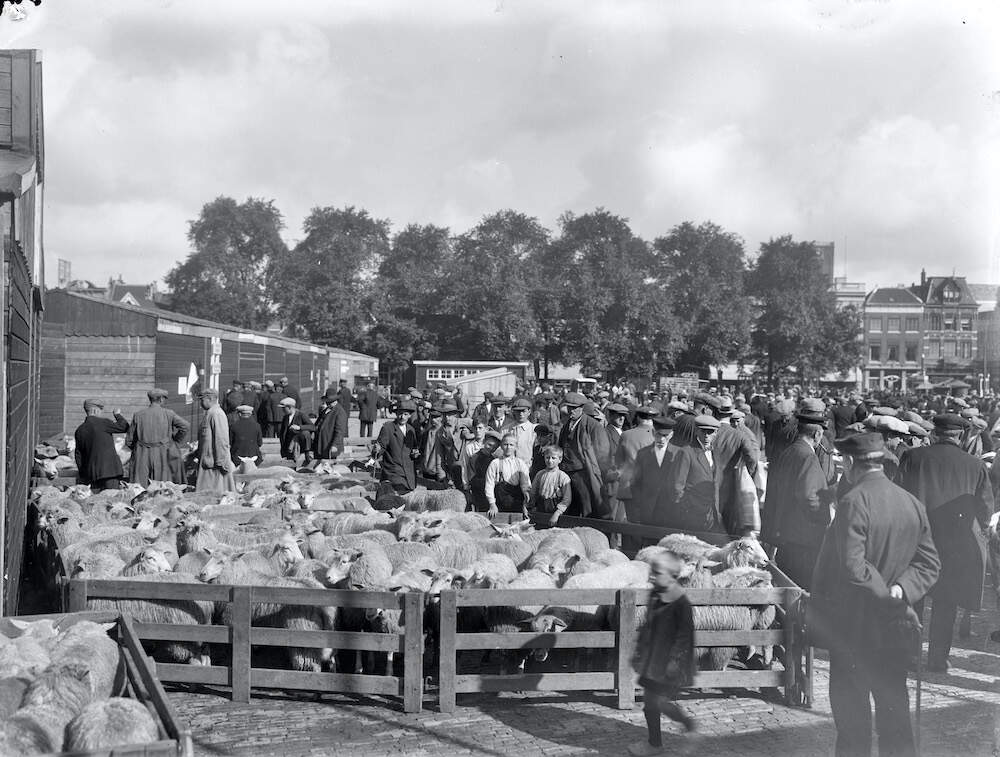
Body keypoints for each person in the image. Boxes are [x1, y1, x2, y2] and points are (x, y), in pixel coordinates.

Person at [811, 431, 939, 757]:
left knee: (853, 723)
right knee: (895, 714)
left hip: (855, 628)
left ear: (851, 462)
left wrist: (885, 594)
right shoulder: (911, 502)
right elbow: (929, 563)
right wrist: (901, 590)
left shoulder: (854, 501)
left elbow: (853, 567)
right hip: (895, 627)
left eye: (842, 461)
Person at [894, 413, 995, 672]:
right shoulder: (975, 465)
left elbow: (897, 495)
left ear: (935, 433)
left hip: (916, 541)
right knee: (945, 603)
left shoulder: (913, 458)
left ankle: (909, 655)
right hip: (954, 546)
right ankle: (938, 659)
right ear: (960, 435)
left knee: (913, 598)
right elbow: (985, 510)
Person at [629, 551, 697, 756]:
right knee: (650, 703)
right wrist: (640, 650)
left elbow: (685, 637)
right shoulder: (655, 595)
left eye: (656, 573)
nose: (651, 576)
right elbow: (648, 625)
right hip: (653, 660)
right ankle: (655, 744)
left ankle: (687, 724)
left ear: (672, 575)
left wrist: (674, 664)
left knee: (658, 702)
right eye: (651, 571)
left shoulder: (681, 603)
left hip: (670, 664)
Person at [761, 414, 833, 590]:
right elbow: (809, 496)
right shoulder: (807, 456)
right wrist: (824, 519)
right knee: (801, 588)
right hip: (803, 538)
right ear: (817, 434)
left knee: (788, 585)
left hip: (786, 534)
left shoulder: (789, 451)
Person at [557, 391, 611, 518]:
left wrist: (597, 473)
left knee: (587, 506)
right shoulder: (567, 424)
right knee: (570, 506)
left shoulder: (593, 426)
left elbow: (602, 453)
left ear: (581, 408)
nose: (571, 411)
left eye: (574, 408)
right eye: (569, 408)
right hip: (567, 473)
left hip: (585, 473)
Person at [668, 414, 724, 535]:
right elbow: (677, 486)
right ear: (697, 431)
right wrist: (687, 508)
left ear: (716, 433)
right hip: (692, 515)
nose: (707, 436)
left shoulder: (716, 452)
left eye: (710, 432)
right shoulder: (686, 452)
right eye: (703, 431)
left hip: (712, 513)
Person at [126, 388, 190, 486]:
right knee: (163, 486)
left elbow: (129, 441)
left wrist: (138, 449)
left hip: (142, 454)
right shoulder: (169, 414)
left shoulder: (138, 415)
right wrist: (175, 441)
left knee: (141, 486)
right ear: (161, 399)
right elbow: (185, 426)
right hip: (162, 453)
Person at [630, 415, 679, 528]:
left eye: (665, 436)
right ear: (653, 432)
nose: (661, 439)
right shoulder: (643, 454)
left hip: (670, 512)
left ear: (671, 435)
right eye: (658, 434)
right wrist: (639, 505)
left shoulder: (678, 454)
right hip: (648, 512)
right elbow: (635, 483)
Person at [74, 399, 130, 490]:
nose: (101, 413)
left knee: (97, 501)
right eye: (100, 410)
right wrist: (117, 415)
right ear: (94, 410)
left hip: (92, 475)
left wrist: (84, 475)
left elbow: (78, 455)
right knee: (112, 500)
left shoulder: (80, 430)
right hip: (110, 472)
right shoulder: (103, 423)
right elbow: (124, 427)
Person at [373, 399, 420, 494]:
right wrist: (377, 450)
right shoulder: (388, 428)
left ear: (410, 415)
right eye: (400, 414)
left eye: (406, 414)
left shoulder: (411, 430)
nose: (402, 417)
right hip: (393, 473)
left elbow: (414, 448)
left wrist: (415, 454)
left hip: (409, 475)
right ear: (396, 414)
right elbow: (381, 447)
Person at [195, 388, 237, 493]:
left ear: (209, 399)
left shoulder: (216, 414)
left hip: (214, 466)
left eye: (202, 400)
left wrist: (222, 462)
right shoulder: (210, 413)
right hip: (208, 463)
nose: (200, 403)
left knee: (216, 495)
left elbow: (221, 439)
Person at [484, 432, 531, 518]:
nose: (508, 447)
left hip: (517, 502)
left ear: (516, 447)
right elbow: (489, 485)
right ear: (501, 446)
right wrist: (492, 504)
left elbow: (525, 484)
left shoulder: (520, 463)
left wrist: (525, 501)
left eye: (511, 445)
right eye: (505, 444)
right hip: (500, 503)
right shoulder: (495, 463)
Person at [527, 445, 572, 526]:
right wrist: (529, 506)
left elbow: (567, 499)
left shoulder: (563, 477)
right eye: (547, 457)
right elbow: (533, 493)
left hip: (555, 511)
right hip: (541, 508)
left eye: (553, 458)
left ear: (560, 459)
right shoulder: (540, 474)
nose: (550, 461)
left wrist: (557, 513)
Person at [468, 430, 503, 512]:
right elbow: (472, 478)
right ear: (484, 442)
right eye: (489, 445)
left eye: (494, 447)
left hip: (491, 493)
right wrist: (490, 482)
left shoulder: (494, 460)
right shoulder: (475, 458)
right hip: (478, 493)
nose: (491, 449)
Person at [278, 397, 315, 466]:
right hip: (288, 449)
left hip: (298, 448)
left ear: (289, 407)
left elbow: (312, 427)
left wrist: (299, 427)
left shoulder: (301, 415)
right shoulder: (285, 418)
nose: (282, 410)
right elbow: (283, 434)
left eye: (284, 408)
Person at [314, 389, 348, 461]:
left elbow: (340, 431)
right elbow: (317, 424)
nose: (326, 403)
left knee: (328, 468)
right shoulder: (326, 410)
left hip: (329, 445)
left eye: (328, 401)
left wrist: (335, 445)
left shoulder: (339, 412)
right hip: (321, 444)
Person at [503, 397, 536, 464]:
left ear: (529, 412)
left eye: (523, 411)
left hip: (527, 467)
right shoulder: (505, 429)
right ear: (514, 412)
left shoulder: (534, 430)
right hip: (508, 465)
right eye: (518, 411)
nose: (521, 414)